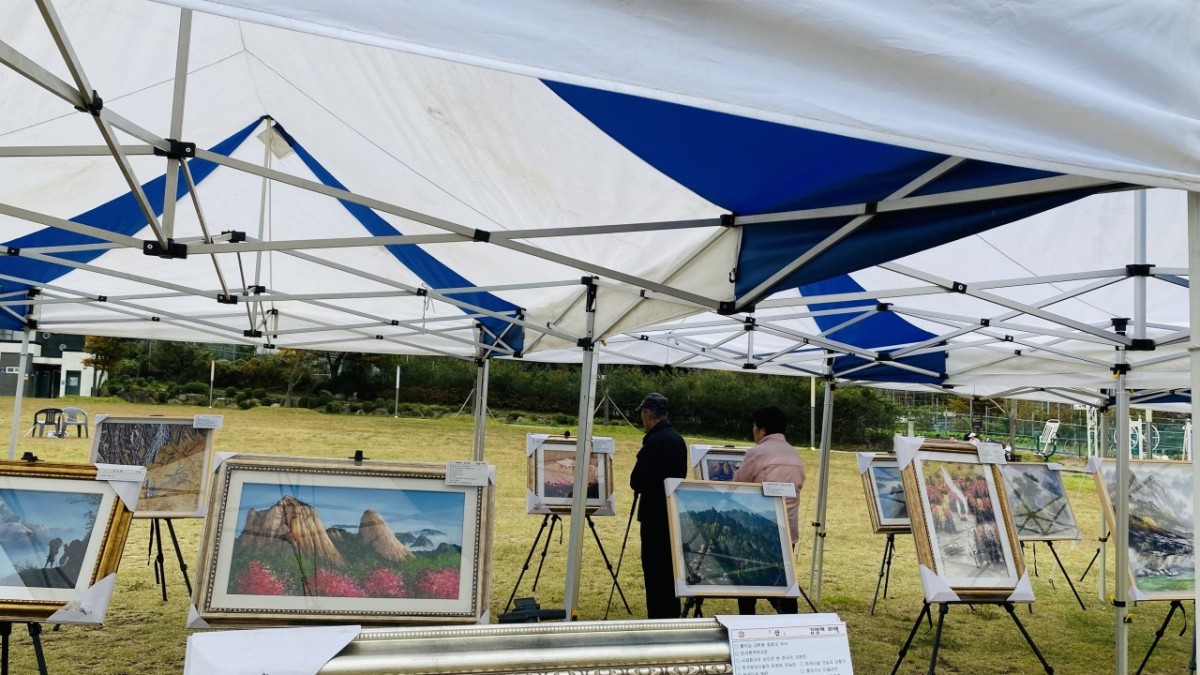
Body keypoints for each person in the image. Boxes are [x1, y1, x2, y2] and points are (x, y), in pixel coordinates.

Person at [732, 406, 806, 615]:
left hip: (760, 529)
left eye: (754, 427)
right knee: (782, 581)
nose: (753, 431)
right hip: (788, 531)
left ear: (762, 430)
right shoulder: (793, 453)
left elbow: (737, 485)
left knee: (748, 579)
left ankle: (747, 622)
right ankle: (790, 620)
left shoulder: (757, 453)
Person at [628, 392, 687, 619]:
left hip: (653, 517)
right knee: (670, 571)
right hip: (672, 515)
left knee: (653, 571)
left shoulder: (654, 441)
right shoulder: (678, 440)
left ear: (647, 413)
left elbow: (637, 481)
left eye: (642, 414)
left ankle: (657, 618)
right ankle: (672, 615)